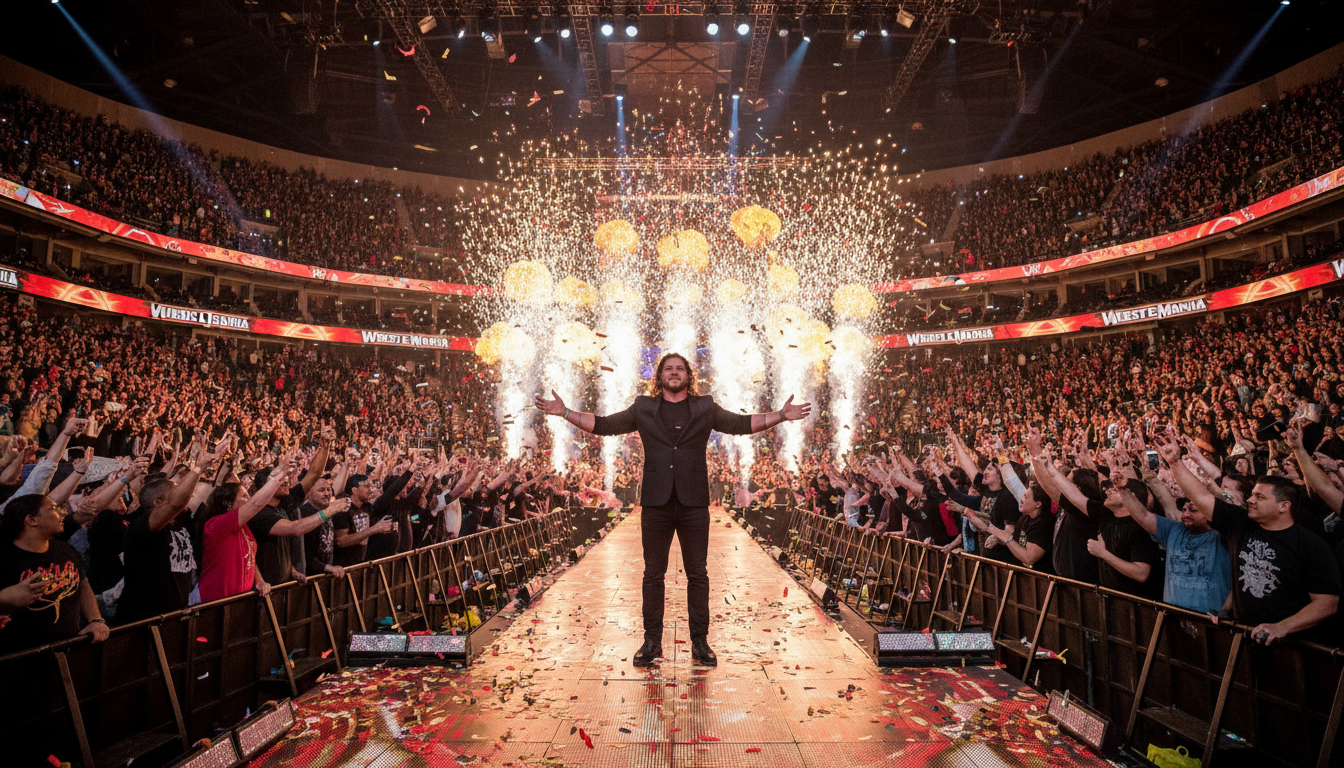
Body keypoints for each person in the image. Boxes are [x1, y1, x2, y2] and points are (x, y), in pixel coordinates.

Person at [534, 352, 810, 667]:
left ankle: (700, 642)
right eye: (669, 368)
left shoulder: (705, 406)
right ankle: (651, 642)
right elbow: (606, 425)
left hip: (694, 503)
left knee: (698, 574)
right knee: (653, 574)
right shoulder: (643, 407)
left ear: (688, 376)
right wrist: (565, 412)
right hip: (656, 503)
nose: (674, 372)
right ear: (660, 376)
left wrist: (781, 415)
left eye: (680, 368)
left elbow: (740, 424)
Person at [1157, 433, 1340, 644]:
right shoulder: (1240, 522)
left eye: (1260, 497)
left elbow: (1327, 603)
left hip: (1289, 645)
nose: (1251, 500)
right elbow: (1201, 496)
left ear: (1283, 506)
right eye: (1252, 494)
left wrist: (1282, 627)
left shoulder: (1310, 544)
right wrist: (1175, 462)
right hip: (1243, 637)